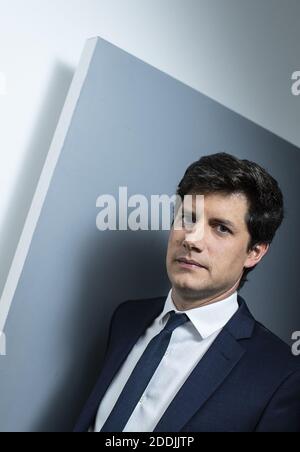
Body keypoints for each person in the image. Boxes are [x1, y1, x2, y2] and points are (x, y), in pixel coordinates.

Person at [74, 152, 300, 432]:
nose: (191, 239)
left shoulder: (280, 376)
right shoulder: (127, 317)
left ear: (254, 252)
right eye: (188, 218)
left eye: (220, 228)